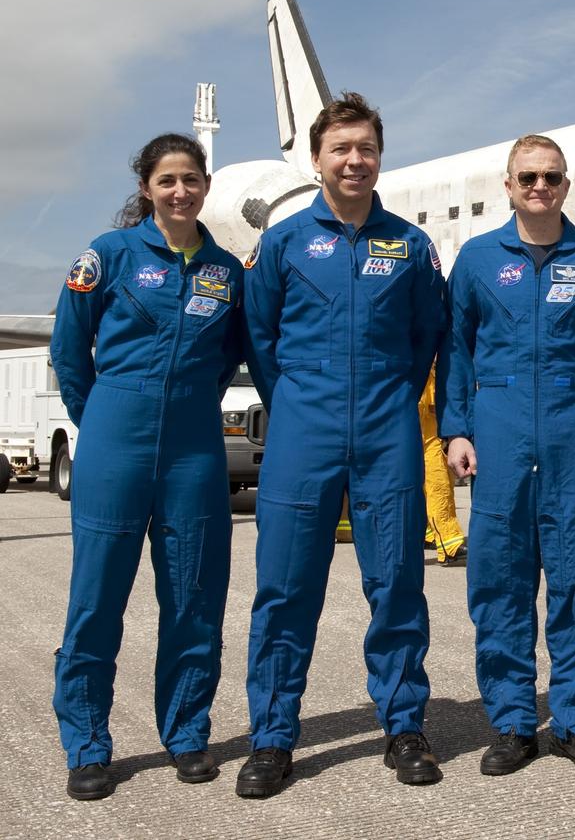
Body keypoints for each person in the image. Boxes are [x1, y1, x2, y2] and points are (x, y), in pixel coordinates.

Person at [239, 93, 447, 798]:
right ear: (317, 158)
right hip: (305, 429)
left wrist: (388, 394)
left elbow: (426, 337)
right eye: (341, 148)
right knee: (286, 589)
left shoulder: (411, 246)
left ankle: (404, 724)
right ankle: (272, 737)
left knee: (396, 584)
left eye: (365, 148)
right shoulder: (286, 242)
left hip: (388, 430)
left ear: (378, 156)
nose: (354, 159)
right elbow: (260, 339)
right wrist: (298, 401)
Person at [438, 134, 575, 776]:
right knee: (499, 579)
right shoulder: (475, 259)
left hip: (574, 426)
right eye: (527, 176)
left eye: (550, 176)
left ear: (566, 183)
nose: (539, 187)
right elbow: (456, 353)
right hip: (496, 428)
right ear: (508, 184)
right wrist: (457, 429)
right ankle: (511, 722)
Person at [50, 133, 245, 801]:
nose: (180, 191)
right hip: (114, 437)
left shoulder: (225, 271)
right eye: (167, 180)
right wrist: (102, 416)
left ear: (205, 186)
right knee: (97, 598)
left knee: (194, 594)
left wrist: (189, 405)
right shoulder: (107, 256)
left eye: (190, 179)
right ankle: (87, 743)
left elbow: (227, 358)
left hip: (194, 446)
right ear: (147, 189)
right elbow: (70, 350)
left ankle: (187, 732)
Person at [420, 368, 467, 563]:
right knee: (436, 477)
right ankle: (449, 542)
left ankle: (432, 532)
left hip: (430, 407)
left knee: (437, 475)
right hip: (420, 405)